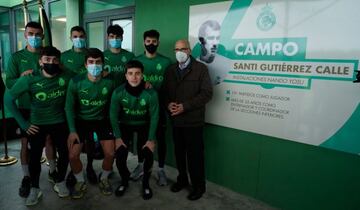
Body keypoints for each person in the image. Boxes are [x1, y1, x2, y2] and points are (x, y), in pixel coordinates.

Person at [4, 46, 72, 206]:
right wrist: (24, 124)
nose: (51, 62)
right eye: (47, 60)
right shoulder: (29, 78)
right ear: (40, 62)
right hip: (37, 124)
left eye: (55, 60)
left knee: (64, 152)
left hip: (59, 121)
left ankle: (60, 182)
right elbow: (8, 99)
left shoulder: (66, 75)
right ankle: (34, 188)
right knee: (34, 157)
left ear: (59, 62)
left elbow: (83, 78)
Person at [4, 21, 56, 198]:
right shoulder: (16, 58)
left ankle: (53, 171)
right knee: (25, 143)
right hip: (26, 107)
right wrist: (21, 77)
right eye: (31, 33)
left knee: (49, 140)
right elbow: (9, 84)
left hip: (47, 108)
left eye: (38, 34)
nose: (34, 37)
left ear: (42, 36)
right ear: (25, 35)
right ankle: (27, 177)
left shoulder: (47, 54)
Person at [162, 39, 213, 201]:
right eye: (177, 49)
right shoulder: (170, 70)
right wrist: (168, 104)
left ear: (189, 51)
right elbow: (164, 93)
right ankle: (182, 180)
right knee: (179, 154)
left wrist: (185, 106)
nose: (180, 52)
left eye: (183, 49)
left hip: (193, 122)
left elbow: (207, 94)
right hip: (176, 122)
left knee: (195, 156)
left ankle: (199, 186)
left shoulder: (201, 69)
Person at [65, 48, 116, 198]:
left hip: (102, 121)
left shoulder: (110, 81)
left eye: (98, 62)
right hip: (81, 122)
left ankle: (104, 178)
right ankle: (80, 181)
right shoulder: (76, 82)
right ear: (86, 65)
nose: (95, 65)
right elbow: (68, 107)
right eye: (91, 62)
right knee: (73, 156)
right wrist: (72, 130)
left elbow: (116, 101)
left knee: (110, 153)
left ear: (103, 64)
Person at [110, 60, 159, 200]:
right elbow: (113, 116)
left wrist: (150, 140)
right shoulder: (118, 92)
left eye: (137, 73)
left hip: (144, 125)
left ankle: (145, 184)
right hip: (125, 125)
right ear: (125, 76)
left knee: (148, 154)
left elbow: (155, 117)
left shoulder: (151, 93)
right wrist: (118, 137)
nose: (134, 77)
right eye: (130, 73)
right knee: (120, 156)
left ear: (142, 75)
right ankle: (124, 181)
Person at [133, 29, 171, 185]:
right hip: (141, 107)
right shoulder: (137, 61)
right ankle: (141, 165)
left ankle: (161, 169)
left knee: (161, 139)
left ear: (158, 43)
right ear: (144, 42)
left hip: (161, 107)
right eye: (148, 41)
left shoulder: (166, 62)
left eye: (154, 42)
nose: (151, 44)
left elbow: (171, 85)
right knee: (141, 138)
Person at [61, 26, 98, 186]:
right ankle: (73, 169)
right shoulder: (63, 56)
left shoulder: (91, 55)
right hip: (69, 104)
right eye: (75, 36)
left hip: (88, 106)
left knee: (90, 141)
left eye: (81, 36)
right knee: (70, 140)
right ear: (70, 38)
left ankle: (89, 167)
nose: (79, 38)